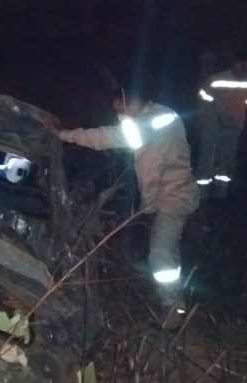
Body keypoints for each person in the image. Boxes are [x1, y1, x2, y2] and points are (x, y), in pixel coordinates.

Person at [58, 85, 199, 326]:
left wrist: (148, 204)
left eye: (119, 109)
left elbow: (146, 165)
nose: (118, 115)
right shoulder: (161, 116)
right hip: (176, 193)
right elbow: (114, 138)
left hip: (173, 196)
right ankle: (172, 304)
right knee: (167, 251)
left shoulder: (149, 124)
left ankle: (174, 312)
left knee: (161, 254)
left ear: (130, 102)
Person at [195, 50, 247, 201]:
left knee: (228, 155)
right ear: (234, 64)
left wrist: (240, 109)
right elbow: (204, 97)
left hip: (234, 123)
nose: (243, 68)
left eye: (246, 66)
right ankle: (202, 192)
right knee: (208, 154)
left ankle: (221, 190)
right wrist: (204, 116)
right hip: (213, 121)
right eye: (240, 64)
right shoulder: (216, 79)